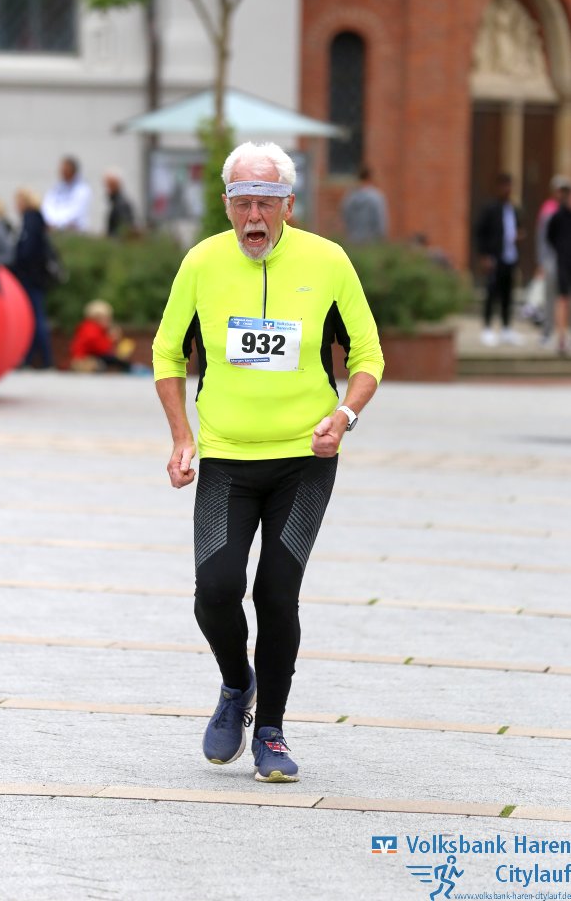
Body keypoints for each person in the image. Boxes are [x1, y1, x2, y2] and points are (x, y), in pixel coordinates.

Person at [153, 141, 384, 782]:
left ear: (289, 204)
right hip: (227, 458)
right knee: (215, 592)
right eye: (242, 201)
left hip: (304, 460)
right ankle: (237, 684)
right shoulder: (202, 262)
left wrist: (346, 415)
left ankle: (272, 733)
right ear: (226, 204)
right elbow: (167, 353)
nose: (253, 215)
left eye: (267, 201)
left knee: (277, 592)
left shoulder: (328, 262)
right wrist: (181, 435)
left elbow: (368, 355)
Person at [475, 172, 524, 346]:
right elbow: (479, 233)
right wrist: (484, 255)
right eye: (504, 186)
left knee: (508, 295)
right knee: (491, 293)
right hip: (494, 258)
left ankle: (506, 329)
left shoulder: (514, 210)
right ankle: (487, 328)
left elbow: (518, 229)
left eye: (509, 186)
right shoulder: (490, 209)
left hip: (510, 257)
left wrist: (519, 237)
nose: (507, 189)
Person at [11, 189, 54, 369]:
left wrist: (16, 265)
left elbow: (27, 250)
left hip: (30, 277)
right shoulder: (37, 220)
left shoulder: (30, 220)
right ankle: (32, 358)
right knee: (34, 316)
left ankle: (44, 358)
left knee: (34, 317)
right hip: (35, 276)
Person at [536, 175, 570, 346]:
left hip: (566, 260)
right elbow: (542, 238)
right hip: (550, 259)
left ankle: (563, 333)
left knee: (564, 298)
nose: (561, 194)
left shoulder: (567, 210)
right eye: (559, 190)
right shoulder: (548, 209)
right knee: (550, 296)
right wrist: (541, 261)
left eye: (565, 190)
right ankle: (547, 332)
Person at [69, 299, 135, 371]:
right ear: (97, 317)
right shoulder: (90, 329)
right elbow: (102, 349)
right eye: (107, 317)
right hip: (83, 362)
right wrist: (111, 339)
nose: (109, 320)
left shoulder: (95, 329)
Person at [547, 179, 571, 356]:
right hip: (563, 262)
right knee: (562, 298)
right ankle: (561, 338)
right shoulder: (558, 216)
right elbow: (550, 237)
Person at [42, 156, 93, 233]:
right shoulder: (57, 187)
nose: (62, 172)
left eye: (65, 169)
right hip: (54, 229)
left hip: (75, 231)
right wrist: (50, 221)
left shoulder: (82, 189)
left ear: (72, 170)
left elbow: (75, 212)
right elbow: (47, 205)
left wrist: (57, 223)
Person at [341, 165, 389, 244]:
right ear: (370, 177)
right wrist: (382, 238)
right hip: (371, 241)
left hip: (353, 240)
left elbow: (345, 216)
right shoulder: (376, 197)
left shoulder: (350, 197)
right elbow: (380, 219)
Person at [103, 168, 135, 237]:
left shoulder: (120, 204)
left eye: (109, 185)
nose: (107, 189)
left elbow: (125, 229)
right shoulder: (117, 203)